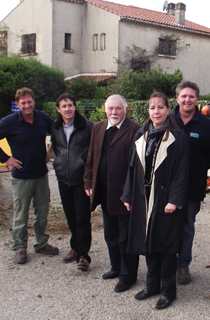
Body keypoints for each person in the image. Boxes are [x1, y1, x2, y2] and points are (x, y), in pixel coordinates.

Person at [122, 92, 189, 310]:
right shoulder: (141, 135)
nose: (156, 112)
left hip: (165, 200)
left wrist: (174, 200)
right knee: (148, 243)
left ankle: (169, 291)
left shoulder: (177, 138)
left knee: (166, 247)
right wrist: (128, 195)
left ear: (168, 110)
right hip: (144, 199)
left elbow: (182, 172)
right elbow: (132, 168)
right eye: (152, 108)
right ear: (148, 111)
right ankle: (152, 285)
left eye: (161, 107)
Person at [0, 87, 58, 265]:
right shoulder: (10, 122)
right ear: (17, 105)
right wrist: (6, 159)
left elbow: (58, 131)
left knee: (42, 212)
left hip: (41, 174)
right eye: (23, 103)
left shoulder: (42, 118)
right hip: (21, 176)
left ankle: (41, 243)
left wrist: (50, 150)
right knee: (21, 213)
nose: (27, 105)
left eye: (29, 101)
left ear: (34, 102)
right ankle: (19, 248)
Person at [84, 94, 142, 292]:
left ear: (126, 109)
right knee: (110, 234)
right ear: (105, 110)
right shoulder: (98, 127)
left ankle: (128, 276)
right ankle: (116, 267)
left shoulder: (135, 129)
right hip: (104, 192)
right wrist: (88, 180)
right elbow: (92, 156)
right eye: (110, 109)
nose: (114, 112)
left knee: (126, 236)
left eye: (118, 108)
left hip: (124, 196)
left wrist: (130, 191)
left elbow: (138, 165)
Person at [171, 80, 210, 284]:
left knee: (187, 226)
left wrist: (198, 170)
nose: (187, 99)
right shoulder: (168, 119)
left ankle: (183, 265)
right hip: (169, 185)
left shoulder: (206, 125)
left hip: (193, 185)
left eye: (191, 96)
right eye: (184, 96)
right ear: (177, 98)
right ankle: (166, 262)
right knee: (166, 225)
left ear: (197, 99)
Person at [49, 93, 93, 271]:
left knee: (82, 218)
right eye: (63, 106)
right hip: (62, 179)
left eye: (70, 105)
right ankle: (75, 248)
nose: (67, 109)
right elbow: (57, 149)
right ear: (58, 110)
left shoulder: (87, 126)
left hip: (80, 180)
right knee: (71, 217)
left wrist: (89, 177)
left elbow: (92, 153)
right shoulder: (56, 128)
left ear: (75, 107)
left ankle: (84, 256)